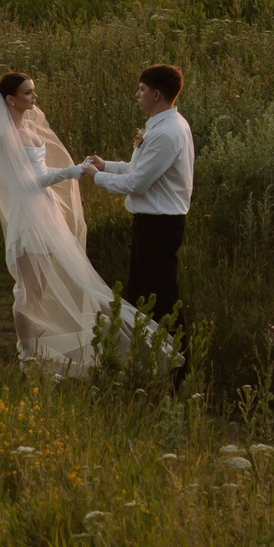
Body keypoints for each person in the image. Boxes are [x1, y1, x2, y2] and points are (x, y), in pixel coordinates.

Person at [0, 71, 114, 374]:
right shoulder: (4, 137)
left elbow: (40, 167)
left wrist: (71, 170)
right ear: (11, 99)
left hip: (45, 211)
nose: (34, 97)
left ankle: (37, 345)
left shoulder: (29, 126)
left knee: (40, 286)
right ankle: (27, 353)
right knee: (29, 289)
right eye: (28, 93)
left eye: (34, 91)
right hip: (27, 215)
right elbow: (27, 181)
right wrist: (69, 172)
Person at [84, 63, 194, 346]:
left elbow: (136, 183)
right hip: (151, 222)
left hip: (160, 224)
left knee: (162, 298)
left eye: (142, 89)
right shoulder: (163, 125)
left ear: (157, 94)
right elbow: (138, 169)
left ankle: (177, 367)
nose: (137, 94)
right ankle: (143, 359)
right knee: (140, 294)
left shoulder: (166, 132)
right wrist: (106, 165)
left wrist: (98, 177)